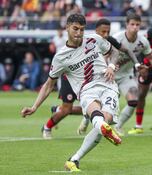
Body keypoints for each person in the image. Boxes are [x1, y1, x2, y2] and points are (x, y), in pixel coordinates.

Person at [21, 14, 121, 172]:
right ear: (67, 27)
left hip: (109, 85)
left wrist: (111, 67)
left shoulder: (94, 39)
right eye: (75, 28)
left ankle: (74, 159)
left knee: (104, 120)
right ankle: (102, 125)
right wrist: (34, 107)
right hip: (87, 89)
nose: (79, 33)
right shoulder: (60, 57)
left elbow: (115, 52)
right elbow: (49, 85)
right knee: (98, 116)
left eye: (82, 29)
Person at [42, 18, 146, 139]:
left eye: (108, 32)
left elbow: (122, 51)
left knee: (98, 108)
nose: (106, 35)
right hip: (71, 79)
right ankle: (47, 127)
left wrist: (113, 66)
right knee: (67, 109)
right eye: (103, 32)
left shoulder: (108, 41)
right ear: (96, 30)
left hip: (91, 81)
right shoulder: (87, 40)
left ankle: (87, 121)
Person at [111, 13, 152, 136]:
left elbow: (151, 57)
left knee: (134, 101)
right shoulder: (117, 38)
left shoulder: (142, 41)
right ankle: (86, 120)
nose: (135, 27)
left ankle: (118, 126)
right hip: (110, 75)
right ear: (126, 25)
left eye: (137, 25)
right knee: (103, 104)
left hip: (126, 75)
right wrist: (110, 66)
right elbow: (105, 54)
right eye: (132, 24)